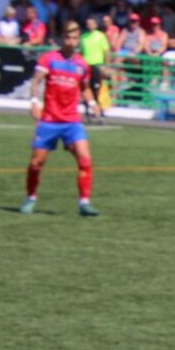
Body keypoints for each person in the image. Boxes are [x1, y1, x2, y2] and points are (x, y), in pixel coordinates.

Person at [23, 22, 103, 217]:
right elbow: (36, 81)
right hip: (49, 120)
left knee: (85, 158)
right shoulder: (49, 58)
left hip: (72, 122)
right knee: (36, 163)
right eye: (68, 37)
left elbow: (84, 88)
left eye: (75, 38)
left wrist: (92, 104)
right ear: (62, 38)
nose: (71, 41)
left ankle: (84, 202)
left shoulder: (82, 64)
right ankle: (31, 198)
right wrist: (34, 102)